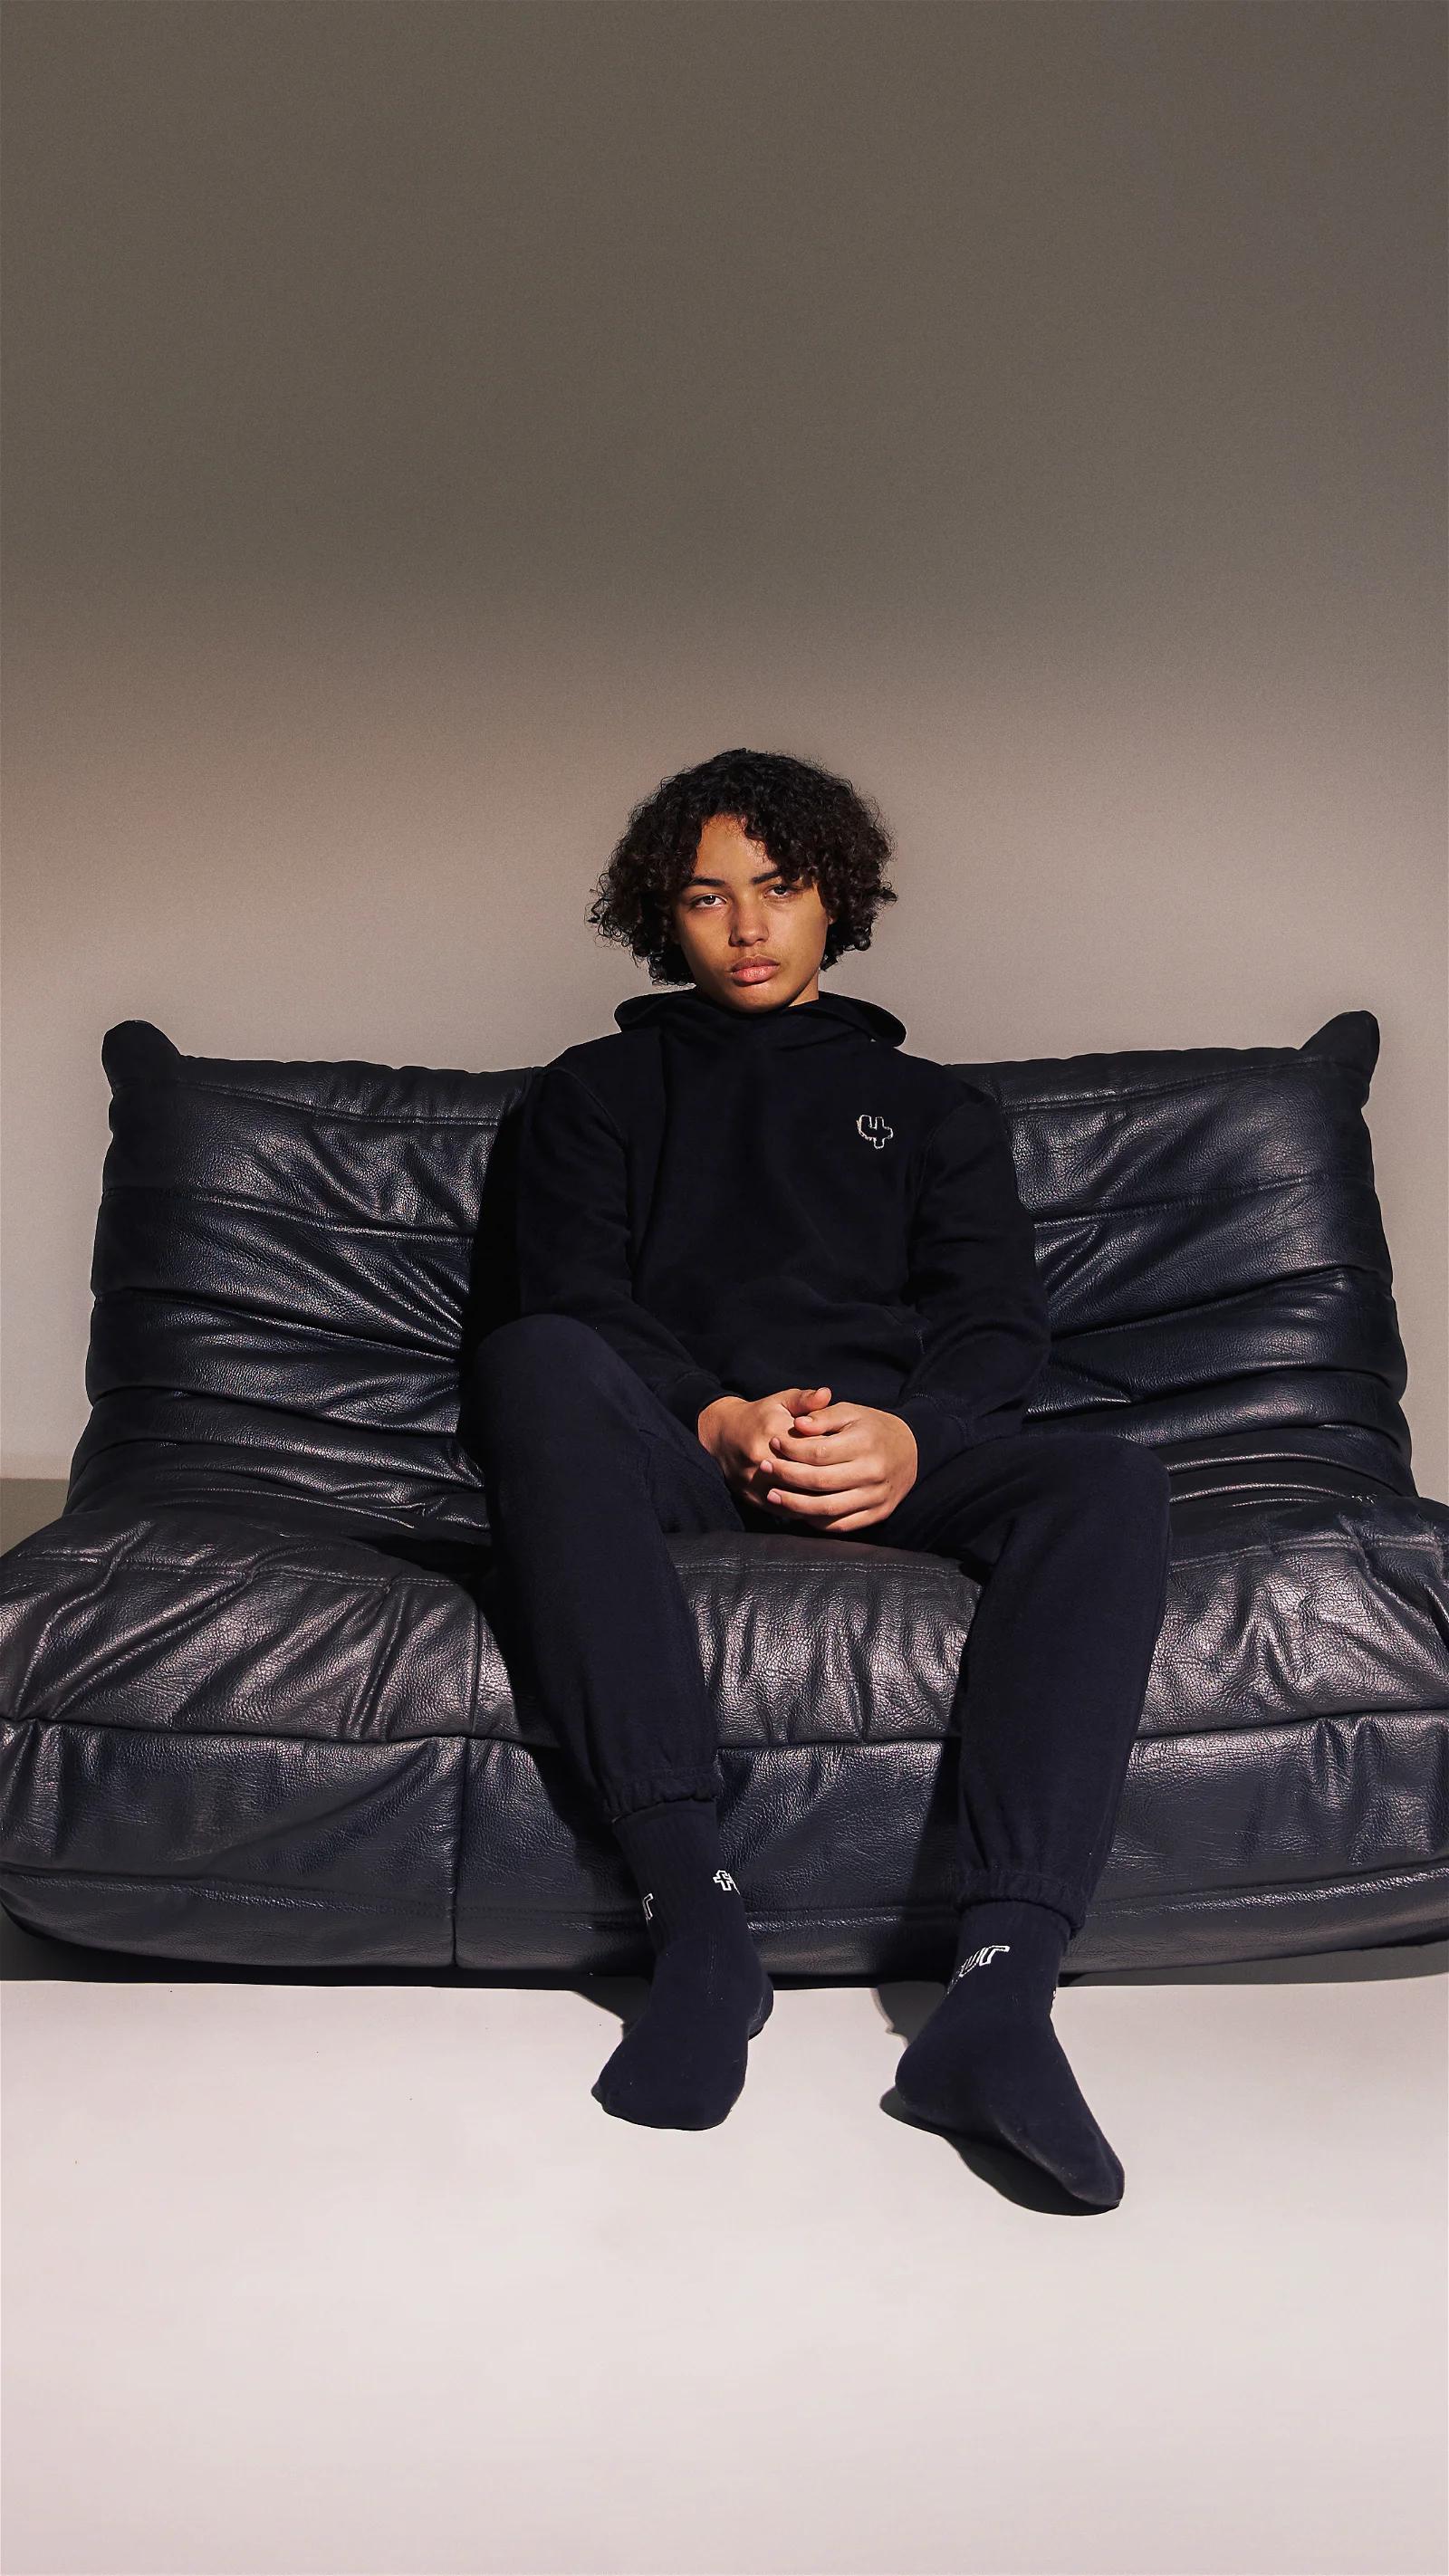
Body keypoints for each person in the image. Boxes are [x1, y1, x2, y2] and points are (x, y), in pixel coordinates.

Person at [462, 746, 1172, 2209]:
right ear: (662, 915)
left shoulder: (935, 1112)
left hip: (882, 1460)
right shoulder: (593, 1092)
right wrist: (714, 1415)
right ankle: (696, 1919)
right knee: (530, 1360)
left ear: (834, 898)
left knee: (1105, 1482)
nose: (746, 925)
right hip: (682, 1453)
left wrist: (913, 1436)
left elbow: (994, 1323)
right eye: (707, 896)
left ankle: (1000, 1994)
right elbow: (577, 1297)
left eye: (778, 888)